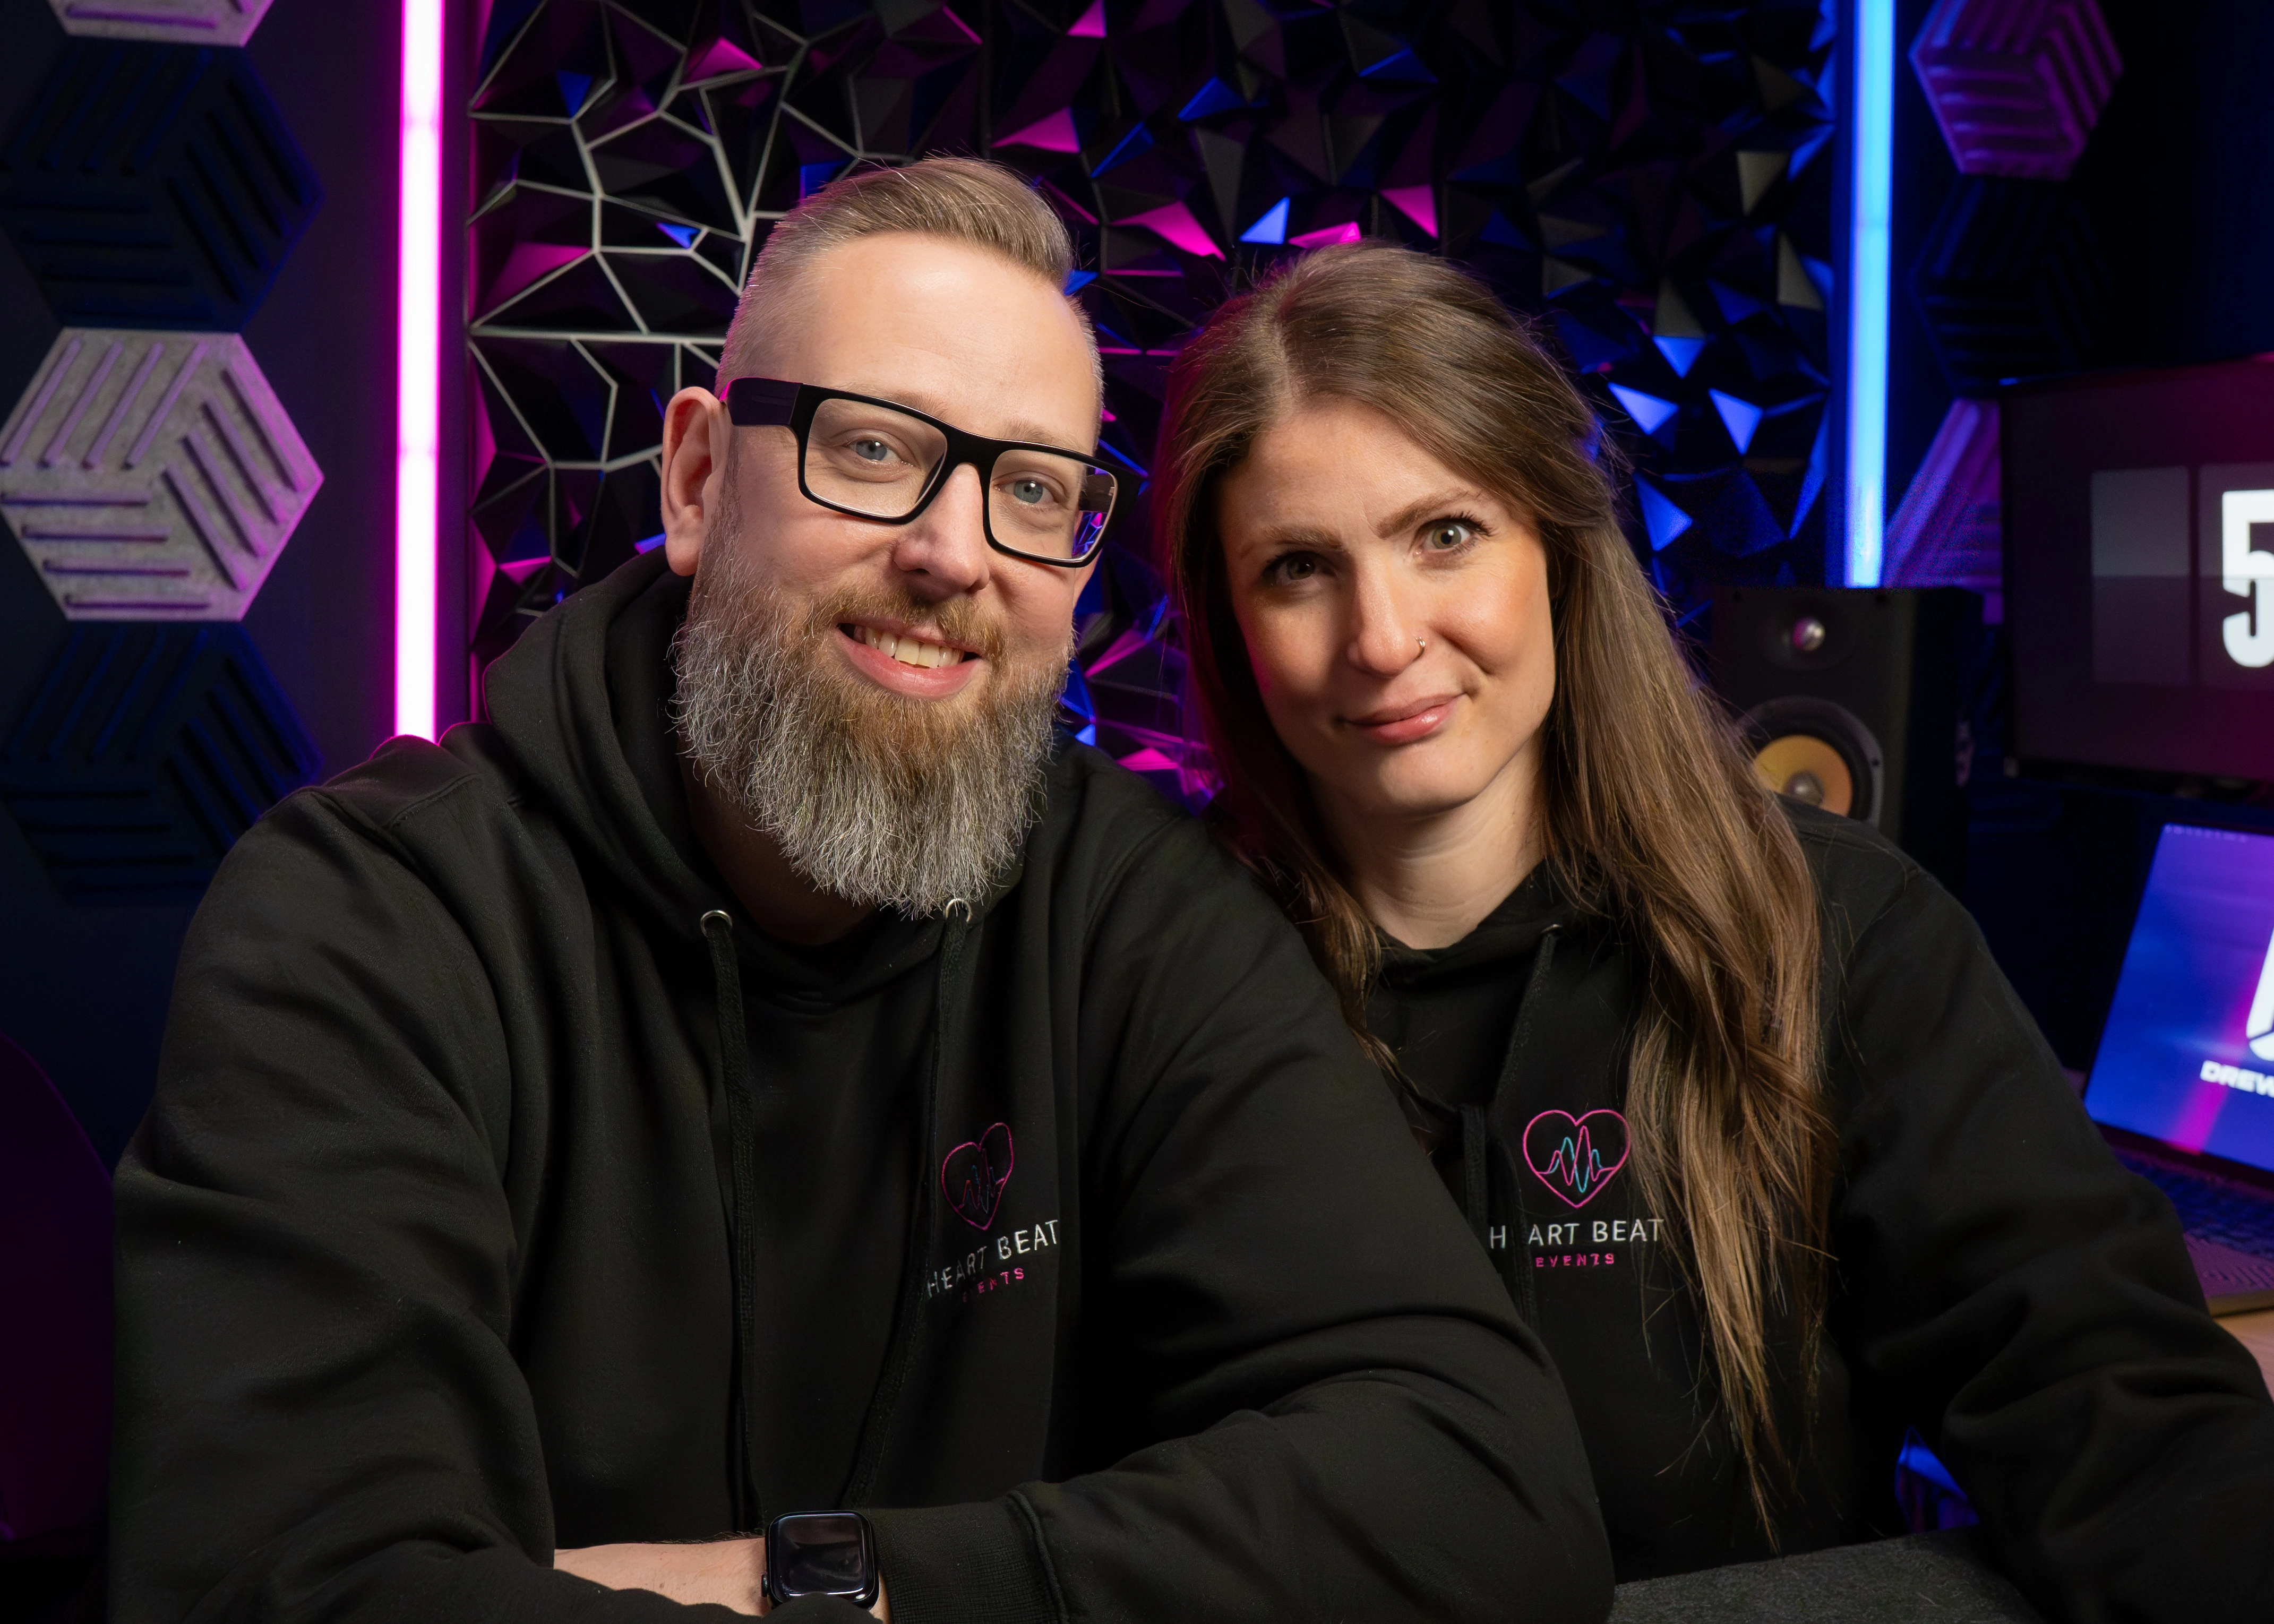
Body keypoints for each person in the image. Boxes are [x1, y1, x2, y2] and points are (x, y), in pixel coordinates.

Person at [110, 165, 1614, 1623]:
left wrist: (847, 1588)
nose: (954, 552)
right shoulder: (370, 926)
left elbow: (1485, 1493)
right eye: (876, 449)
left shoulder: (1125, 907)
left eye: (1032, 488)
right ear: (698, 480)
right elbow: (283, 1581)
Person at [1152, 242, 2274, 1621]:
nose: (1382, 637)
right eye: (1298, 567)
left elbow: (2125, 1431)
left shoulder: (1843, 937)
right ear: (1230, 619)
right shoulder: (1154, 986)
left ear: (1560, 547)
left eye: (1444, 534)